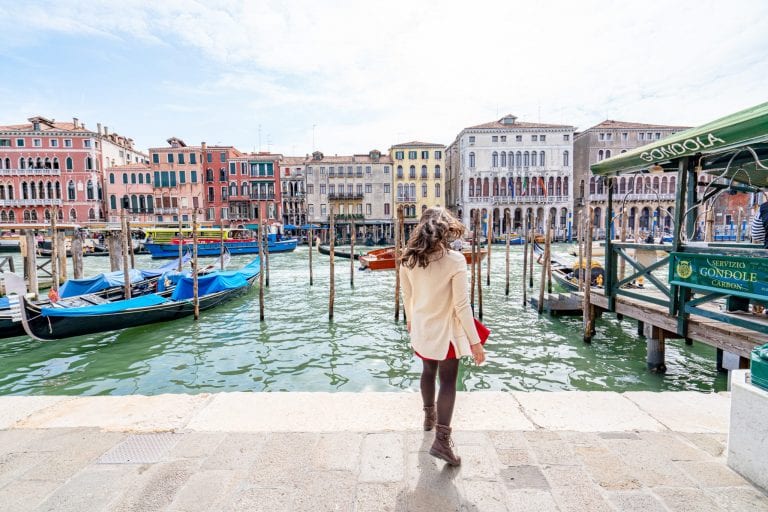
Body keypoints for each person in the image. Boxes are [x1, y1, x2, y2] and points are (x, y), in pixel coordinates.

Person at [399, 207, 486, 466]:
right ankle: (442, 442)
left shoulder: (407, 259)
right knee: (448, 381)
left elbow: (407, 296)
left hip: (422, 328)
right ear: (445, 229)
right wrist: (475, 342)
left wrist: (410, 320)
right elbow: (461, 306)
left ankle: (429, 418)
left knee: (428, 371)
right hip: (446, 331)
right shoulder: (455, 260)